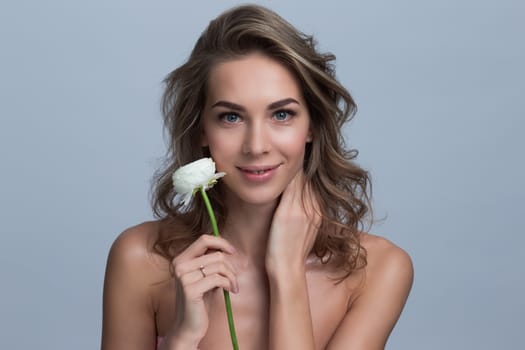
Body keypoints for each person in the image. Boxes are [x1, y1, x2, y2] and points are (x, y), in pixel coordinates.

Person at [101, 4, 413, 350]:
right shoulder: (141, 260)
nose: (256, 145)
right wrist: (183, 338)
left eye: (281, 114)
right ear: (201, 128)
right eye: (231, 117)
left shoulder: (376, 270)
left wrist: (287, 274)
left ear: (312, 125)